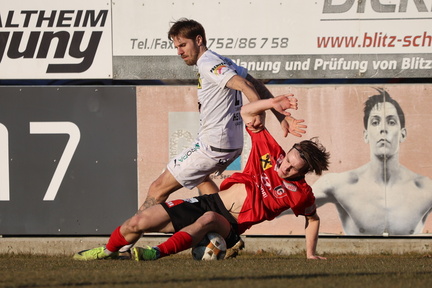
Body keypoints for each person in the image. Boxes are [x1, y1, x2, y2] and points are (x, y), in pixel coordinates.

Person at [119, 18, 306, 256]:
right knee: (200, 179)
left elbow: (245, 86)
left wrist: (256, 111)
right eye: (176, 47)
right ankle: (227, 232)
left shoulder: (208, 63)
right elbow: (254, 82)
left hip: (212, 145)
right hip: (227, 145)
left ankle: (124, 244)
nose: (179, 52)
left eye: (182, 45)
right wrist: (280, 117)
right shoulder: (220, 60)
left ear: (199, 40)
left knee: (158, 188)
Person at [73, 95, 330, 261]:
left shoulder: (301, 193)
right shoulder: (272, 152)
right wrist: (272, 103)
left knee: (208, 220)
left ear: (303, 171)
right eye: (288, 160)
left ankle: (154, 253)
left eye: (292, 168)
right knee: (137, 221)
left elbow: (313, 218)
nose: (284, 168)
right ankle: (107, 252)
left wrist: (310, 253)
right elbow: (246, 112)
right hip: (209, 202)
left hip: (230, 226)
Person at [313, 88, 432, 235]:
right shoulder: (339, 184)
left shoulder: (425, 189)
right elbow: (283, 205)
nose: (383, 129)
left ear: (402, 134)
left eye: (391, 122)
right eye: (375, 122)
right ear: (366, 135)